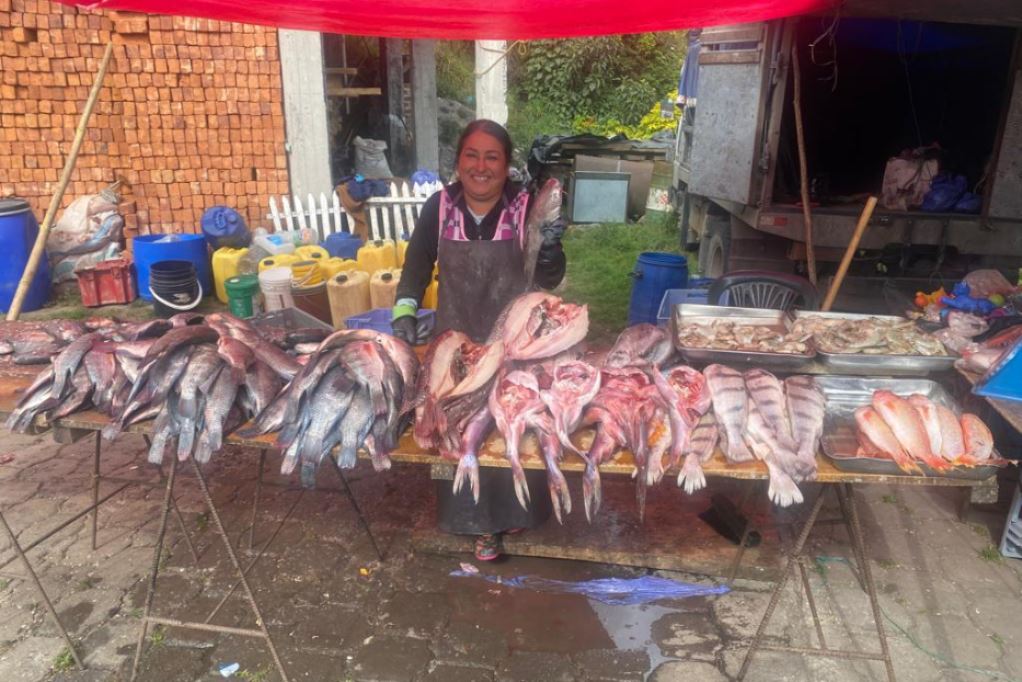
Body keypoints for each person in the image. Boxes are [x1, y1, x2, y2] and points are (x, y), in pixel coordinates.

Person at [392, 119, 566, 560]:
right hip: (457, 344)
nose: (481, 166)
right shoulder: (439, 207)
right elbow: (414, 268)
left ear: (507, 166)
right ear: (458, 162)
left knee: (511, 426)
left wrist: (549, 250)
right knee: (459, 427)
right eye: (472, 155)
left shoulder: (526, 207)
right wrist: (404, 316)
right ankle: (475, 524)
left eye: (493, 157)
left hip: (515, 343)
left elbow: (550, 278)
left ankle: (518, 513)